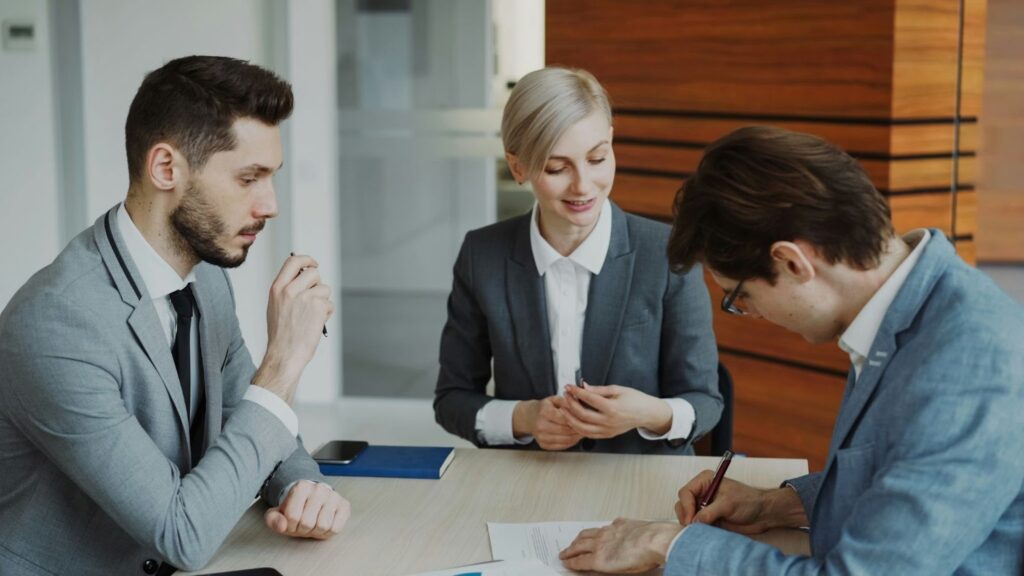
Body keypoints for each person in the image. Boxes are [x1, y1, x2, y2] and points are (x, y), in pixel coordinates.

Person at [559, 126, 1024, 574]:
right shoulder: (912, 308)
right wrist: (777, 503)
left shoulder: (971, 367)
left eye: (739, 297)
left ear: (791, 262)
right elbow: (902, 471)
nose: (751, 313)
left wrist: (668, 543)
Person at [0, 56, 350, 576]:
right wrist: (283, 364)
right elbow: (181, 533)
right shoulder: (54, 325)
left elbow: (247, 415)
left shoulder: (206, 280)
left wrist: (301, 485)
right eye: (249, 178)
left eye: (270, 177)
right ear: (166, 168)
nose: (271, 204)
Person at [433, 66, 721, 454]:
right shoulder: (482, 256)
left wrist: (648, 414)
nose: (583, 185)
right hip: (528, 481)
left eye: (597, 158)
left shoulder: (667, 254)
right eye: (557, 167)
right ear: (519, 167)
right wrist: (524, 417)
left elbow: (706, 401)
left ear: (611, 143)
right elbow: (452, 400)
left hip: (640, 479)